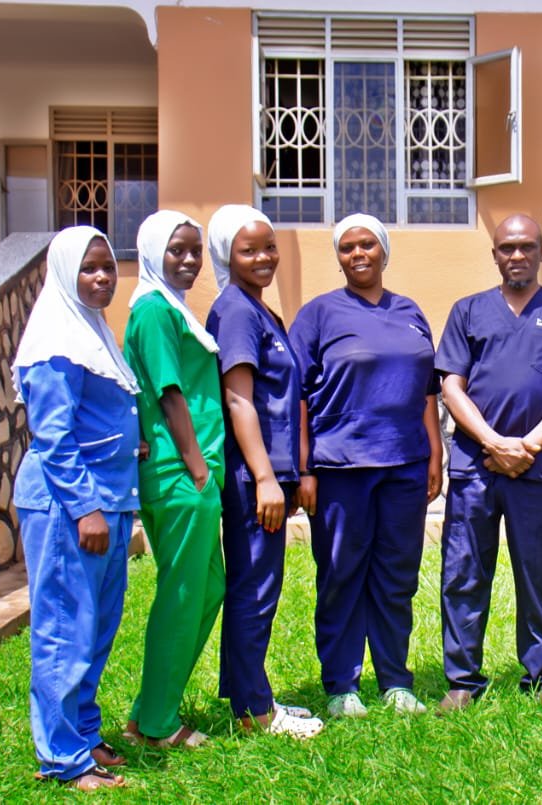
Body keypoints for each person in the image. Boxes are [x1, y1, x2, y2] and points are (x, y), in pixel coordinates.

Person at [289, 213, 443, 718]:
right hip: (340, 468)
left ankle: (396, 681)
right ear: (338, 256)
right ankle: (341, 685)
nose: (358, 254)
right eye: (348, 247)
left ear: (384, 252)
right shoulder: (319, 316)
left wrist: (434, 451)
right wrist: (305, 468)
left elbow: (426, 391)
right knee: (340, 573)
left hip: (405, 464)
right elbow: (298, 399)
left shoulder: (410, 311)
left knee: (397, 574)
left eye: (367, 245)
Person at [434, 214, 542, 713]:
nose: (516, 255)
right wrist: (494, 442)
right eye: (506, 248)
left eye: (526, 247)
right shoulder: (468, 312)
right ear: (494, 254)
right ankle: (462, 680)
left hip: (536, 471)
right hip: (476, 467)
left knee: (538, 571)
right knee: (463, 572)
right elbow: (451, 385)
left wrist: (528, 447)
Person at [12, 226, 140, 791]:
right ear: (65, 271)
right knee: (65, 627)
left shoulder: (92, 334)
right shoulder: (54, 343)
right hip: (69, 506)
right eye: (89, 268)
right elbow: (53, 437)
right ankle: (62, 758)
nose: (101, 277)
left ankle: (84, 736)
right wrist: (86, 507)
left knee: (97, 627)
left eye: (108, 267)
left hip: (108, 503)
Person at [205, 204, 323, 739]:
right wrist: (267, 478)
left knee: (260, 584)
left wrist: (289, 473)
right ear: (226, 256)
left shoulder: (260, 309)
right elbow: (239, 400)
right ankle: (253, 711)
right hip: (253, 478)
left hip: (269, 474)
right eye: (248, 250)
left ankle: (253, 698)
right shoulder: (235, 311)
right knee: (255, 587)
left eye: (269, 246)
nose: (263, 257)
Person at [121, 211, 225, 748]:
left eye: (195, 250)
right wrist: (198, 464)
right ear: (152, 252)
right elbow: (168, 392)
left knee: (209, 588)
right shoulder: (153, 311)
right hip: (182, 473)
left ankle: (149, 710)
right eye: (177, 250)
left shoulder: (174, 308)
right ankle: (158, 724)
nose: (189, 260)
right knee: (183, 593)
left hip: (195, 474)